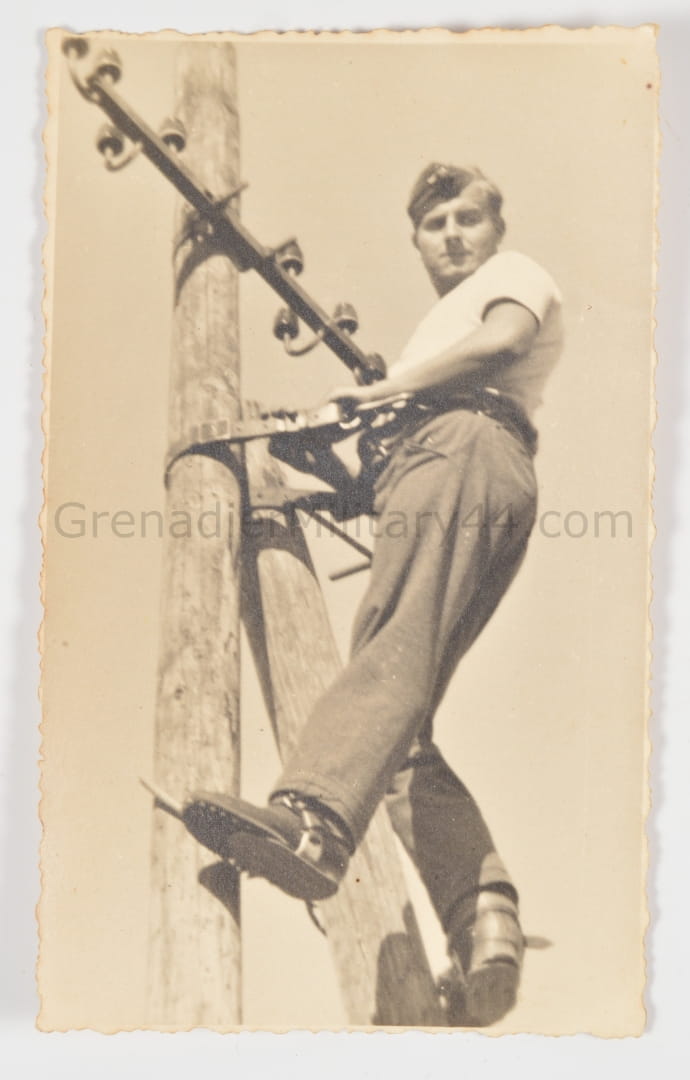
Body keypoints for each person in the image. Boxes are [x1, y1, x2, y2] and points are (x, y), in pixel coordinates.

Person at [183, 163, 563, 1025]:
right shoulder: (439, 338)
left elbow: (504, 342)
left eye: (468, 217)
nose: (453, 234)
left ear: (496, 230)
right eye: (435, 224)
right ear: (417, 240)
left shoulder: (512, 277)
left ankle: (313, 821)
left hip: (469, 450)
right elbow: (401, 463)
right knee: (399, 725)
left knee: (387, 652)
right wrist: (326, 460)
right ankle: (482, 920)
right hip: (460, 464)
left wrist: (385, 389)